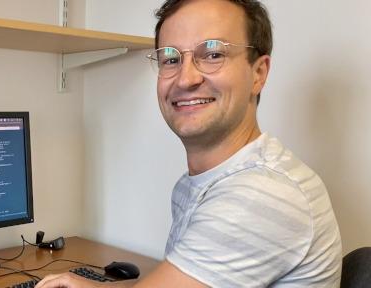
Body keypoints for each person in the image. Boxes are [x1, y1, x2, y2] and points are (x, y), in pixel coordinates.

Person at [35, 0, 342, 287]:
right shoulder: (199, 184)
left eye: (212, 54)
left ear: (258, 73)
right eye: (171, 59)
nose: (185, 79)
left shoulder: (263, 193)